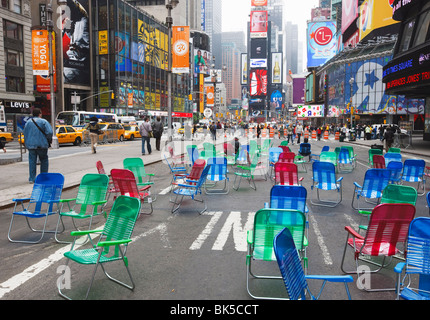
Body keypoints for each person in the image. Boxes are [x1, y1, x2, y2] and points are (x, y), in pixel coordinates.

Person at [23, 108, 53, 184]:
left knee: (32, 161)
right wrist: (48, 140)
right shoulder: (44, 121)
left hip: (31, 145)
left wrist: (27, 143)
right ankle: (43, 177)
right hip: (42, 144)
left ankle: (32, 178)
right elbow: (49, 132)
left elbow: (25, 133)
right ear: (40, 114)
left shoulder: (28, 123)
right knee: (44, 160)